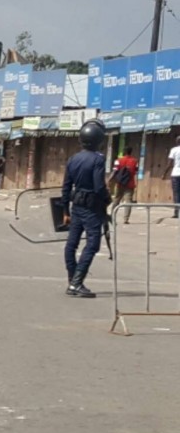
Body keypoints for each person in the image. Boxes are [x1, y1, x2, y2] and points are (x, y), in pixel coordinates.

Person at [62, 119, 111, 298]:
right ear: (99, 140)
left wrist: (65, 211)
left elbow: (66, 187)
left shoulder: (73, 159)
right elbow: (99, 187)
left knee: (71, 244)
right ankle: (76, 282)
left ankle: (72, 280)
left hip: (76, 207)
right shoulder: (98, 159)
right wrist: (107, 199)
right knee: (92, 244)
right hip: (91, 208)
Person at [110, 146, 138, 224]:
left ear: (124, 152)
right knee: (128, 202)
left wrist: (109, 180)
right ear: (131, 152)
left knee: (116, 200)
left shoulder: (118, 160)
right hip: (130, 184)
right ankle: (126, 219)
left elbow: (115, 171)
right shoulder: (134, 161)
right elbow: (135, 172)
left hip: (119, 183)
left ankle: (112, 216)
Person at [164, 135, 180, 218]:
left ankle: (176, 212)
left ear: (177, 142)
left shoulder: (174, 150)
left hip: (176, 174)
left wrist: (164, 173)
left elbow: (169, 164)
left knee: (176, 193)